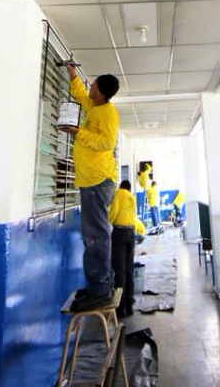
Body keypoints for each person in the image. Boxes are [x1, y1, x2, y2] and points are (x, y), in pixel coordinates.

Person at [59, 63, 121, 312]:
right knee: (95, 235)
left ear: (101, 91)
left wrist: (79, 133)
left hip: (97, 181)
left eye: (93, 84)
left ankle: (100, 290)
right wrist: (73, 75)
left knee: (95, 236)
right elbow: (82, 97)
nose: (90, 86)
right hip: (91, 181)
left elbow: (106, 143)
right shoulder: (95, 108)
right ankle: (102, 285)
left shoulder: (108, 113)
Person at [108, 180, 146, 318]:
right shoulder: (132, 198)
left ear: (120, 187)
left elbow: (114, 211)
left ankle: (120, 307)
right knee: (129, 269)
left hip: (120, 233)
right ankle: (130, 304)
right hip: (131, 233)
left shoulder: (118, 193)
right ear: (129, 189)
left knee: (120, 271)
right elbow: (133, 216)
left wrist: (106, 223)